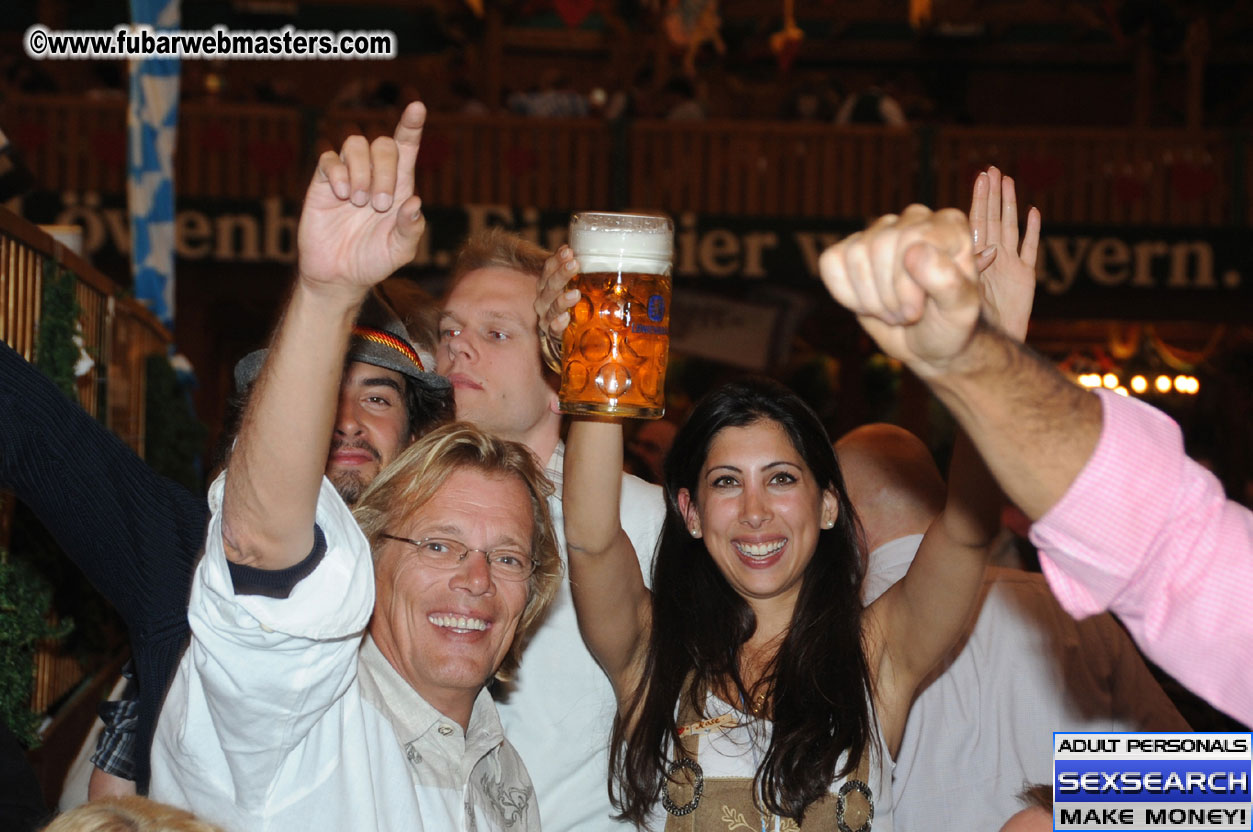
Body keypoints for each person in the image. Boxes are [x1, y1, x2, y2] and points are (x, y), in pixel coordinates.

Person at [147, 100, 560, 830]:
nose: (475, 580)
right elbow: (261, 548)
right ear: (362, 557)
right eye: (439, 545)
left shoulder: (500, 774)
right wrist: (327, 293)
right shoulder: (297, 708)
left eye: (507, 558)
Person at [817, 201, 1253, 724]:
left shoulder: (848, 654)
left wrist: (980, 356)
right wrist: (1074, 801)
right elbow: (1187, 774)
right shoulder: (1076, 615)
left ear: (835, 515)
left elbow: (1172, 548)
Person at [559, 372, 1003, 829]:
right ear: (692, 513)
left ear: (828, 504)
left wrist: (986, 358)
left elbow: (968, 533)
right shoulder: (653, 655)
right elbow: (590, 542)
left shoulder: (875, 656)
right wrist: (598, 354)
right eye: (727, 482)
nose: (755, 511)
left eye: (781, 479)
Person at [838, 422, 1188, 832]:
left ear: (847, 522)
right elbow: (1187, 784)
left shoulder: (833, 644)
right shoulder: (1073, 609)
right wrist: (1066, 811)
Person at [439, 228, 666, 830]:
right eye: (449, 331)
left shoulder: (642, 518)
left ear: (560, 376)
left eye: (495, 332)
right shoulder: (402, 515)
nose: (458, 348)